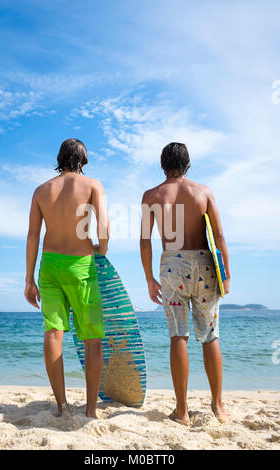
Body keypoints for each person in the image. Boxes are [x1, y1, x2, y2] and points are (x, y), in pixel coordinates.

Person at [140, 142, 230, 425]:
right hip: (204, 264)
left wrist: (149, 279)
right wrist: (226, 274)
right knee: (210, 335)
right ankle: (218, 406)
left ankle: (182, 410)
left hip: (172, 265)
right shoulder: (203, 192)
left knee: (178, 335)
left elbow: (144, 240)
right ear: (188, 164)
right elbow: (219, 235)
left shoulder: (151, 195)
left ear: (162, 165)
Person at [24, 138, 109, 418]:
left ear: (59, 159)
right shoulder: (93, 186)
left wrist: (29, 279)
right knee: (93, 340)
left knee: (53, 332)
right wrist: (101, 248)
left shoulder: (41, 191)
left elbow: (33, 235)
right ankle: (91, 410)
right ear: (83, 160)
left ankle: (61, 406)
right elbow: (104, 226)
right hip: (81, 266)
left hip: (49, 266)